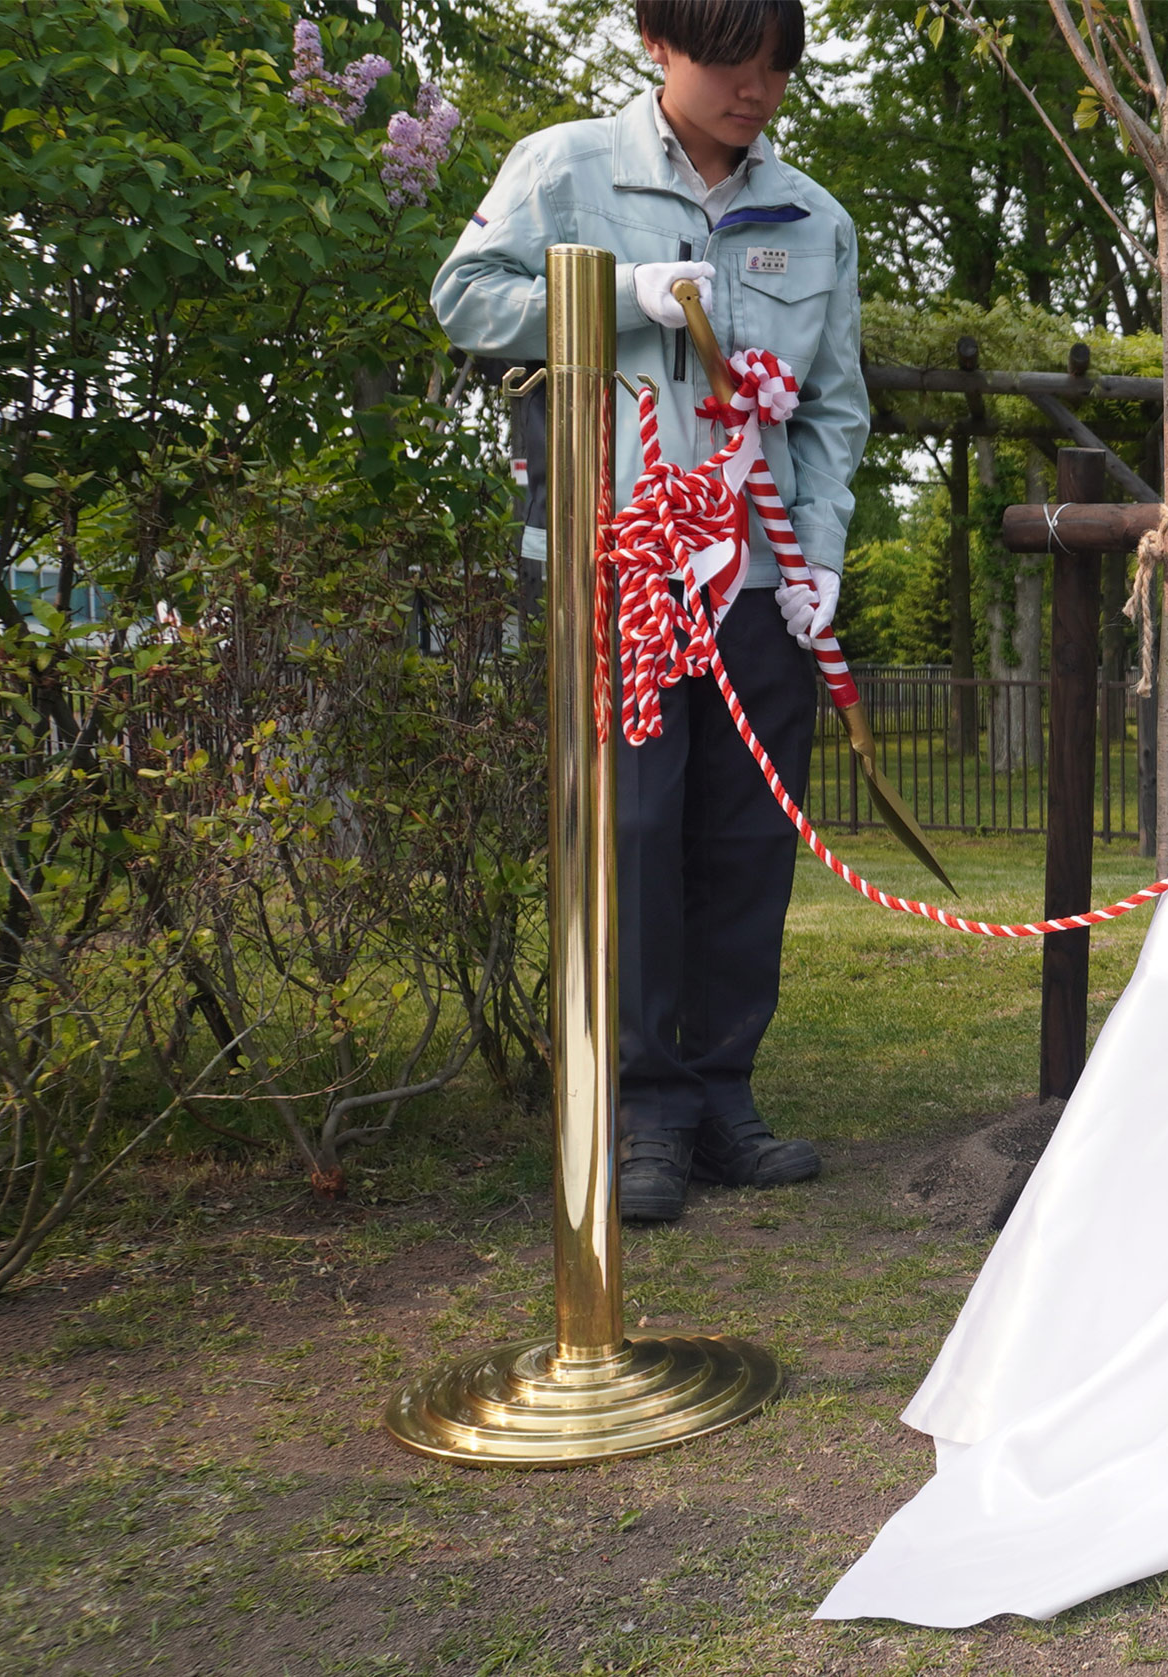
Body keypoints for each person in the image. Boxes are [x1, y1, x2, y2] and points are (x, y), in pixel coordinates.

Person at [432, 0, 862, 1223]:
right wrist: (621, 294)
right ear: (658, 47)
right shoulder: (565, 167)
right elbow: (464, 301)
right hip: (617, 574)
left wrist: (819, 556)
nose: (758, 89)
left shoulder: (816, 220)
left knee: (746, 846)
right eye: (732, 62)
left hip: (762, 588)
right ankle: (644, 1110)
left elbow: (833, 407)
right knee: (633, 835)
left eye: (778, 65)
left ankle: (724, 1095)